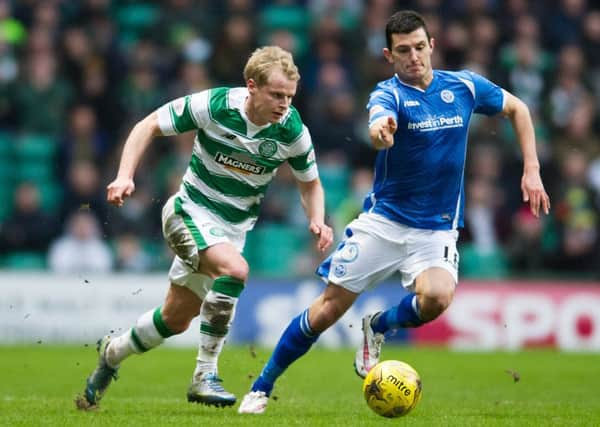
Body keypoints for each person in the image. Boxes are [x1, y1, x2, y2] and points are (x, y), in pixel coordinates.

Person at [238, 10, 551, 414]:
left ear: (432, 46)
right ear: (390, 55)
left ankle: (378, 326)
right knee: (327, 310)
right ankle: (261, 386)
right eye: (403, 50)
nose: (413, 57)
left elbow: (518, 110)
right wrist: (380, 131)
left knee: (437, 297)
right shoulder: (389, 94)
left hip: (435, 231)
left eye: (419, 47)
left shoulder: (464, 86)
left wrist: (532, 169)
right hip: (383, 224)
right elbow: (377, 121)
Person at [75, 46, 333, 410]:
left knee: (173, 321)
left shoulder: (292, 131)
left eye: (289, 97)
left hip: (231, 233)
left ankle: (112, 354)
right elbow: (147, 125)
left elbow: (311, 183)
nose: (283, 105)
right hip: (187, 212)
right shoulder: (215, 106)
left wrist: (317, 218)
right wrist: (124, 176)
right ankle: (204, 375)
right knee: (236, 271)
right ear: (252, 87)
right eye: (276, 95)